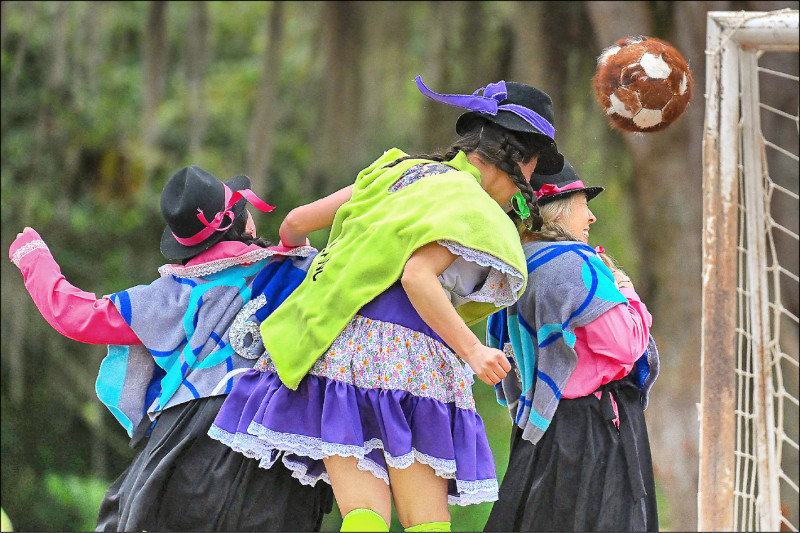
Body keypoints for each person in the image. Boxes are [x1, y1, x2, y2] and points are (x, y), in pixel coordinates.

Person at [207, 76, 566, 533]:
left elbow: (296, 223)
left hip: (336, 351)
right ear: (520, 159)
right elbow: (418, 276)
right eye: (535, 169)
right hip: (411, 361)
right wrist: (473, 351)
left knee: (362, 518)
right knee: (425, 524)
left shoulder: (398, 171)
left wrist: (310, 265)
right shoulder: (472, 206)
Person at [8, 165, 333, 531]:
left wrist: (35, 258)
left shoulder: (170, 297)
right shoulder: (302, 268)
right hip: (277, 444)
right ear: (247, 223)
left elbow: (75, 316)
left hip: (192, 444)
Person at [482, 159, 660, 532]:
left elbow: (504, 364)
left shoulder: (516, 267)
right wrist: (624, 287)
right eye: (583, 204)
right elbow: (626, 345)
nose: (591, 217)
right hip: (592, 431)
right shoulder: (575, 263)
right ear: (559, 211)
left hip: (542, 426)